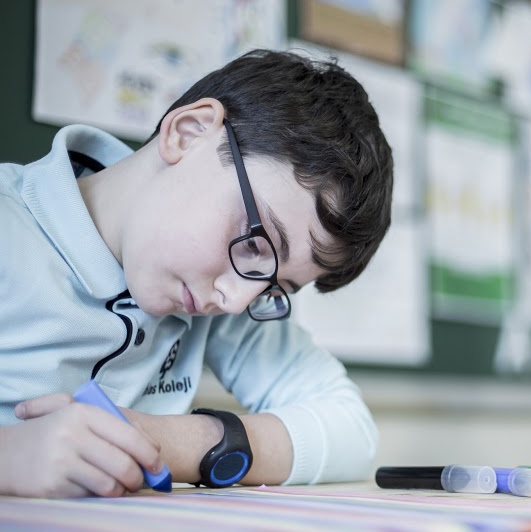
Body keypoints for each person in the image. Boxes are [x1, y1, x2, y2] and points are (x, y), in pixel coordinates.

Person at [0, 49, 393, 498]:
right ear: (189, 134)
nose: (237, 302)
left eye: (274, 289)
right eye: (254, 243)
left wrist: (164, 441)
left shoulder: (223, 296)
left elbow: (352, 429)